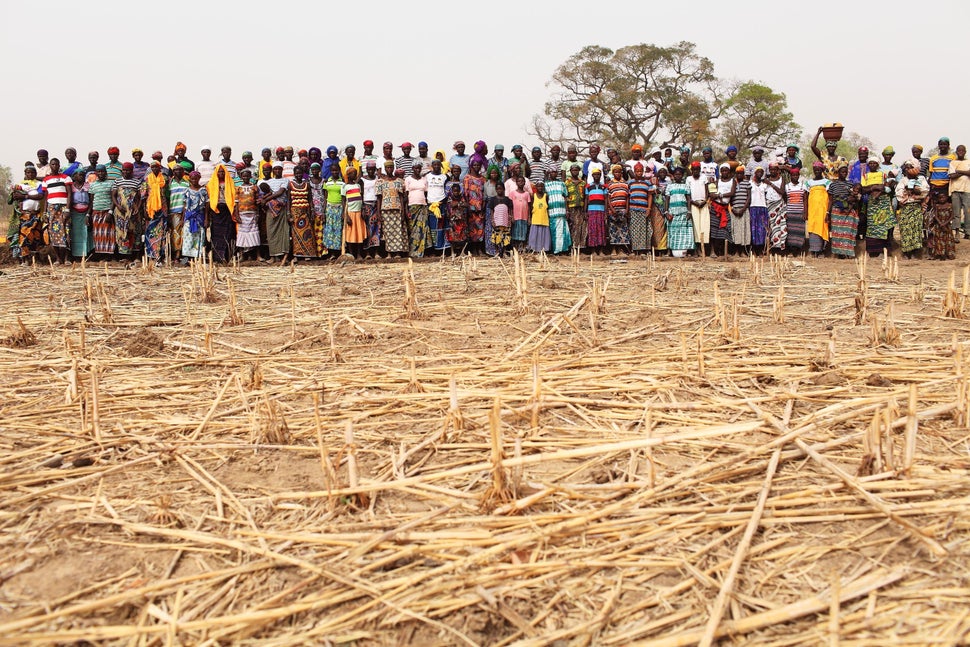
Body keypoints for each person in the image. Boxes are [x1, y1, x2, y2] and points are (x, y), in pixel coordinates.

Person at [41, 158, 74, 264]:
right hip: (51, 208)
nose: (55, 166)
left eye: (56, 164)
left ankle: (66, 258)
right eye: (53, 164)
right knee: (53, 232)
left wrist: (68, 208)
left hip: (63, 207)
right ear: (50, 166)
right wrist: (45, 212)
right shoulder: (46, 180)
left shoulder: (66, 178)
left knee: (66, 231)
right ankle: (58, 259)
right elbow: (46, 198)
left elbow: (70, 194)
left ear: (59, 166)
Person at [9, 163, 44, 263]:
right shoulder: (20, 185)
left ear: (35, 173)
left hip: (36, 214)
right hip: (25, 215)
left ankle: (36, 259)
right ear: (25, 173)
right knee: (24, 236)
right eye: (28, 172)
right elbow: (15, 196)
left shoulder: (39, 184)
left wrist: (25, 196)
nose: (31, 174)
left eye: (33, 172)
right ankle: (25, 259)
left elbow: (40, 196)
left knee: (36, 236)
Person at [861, 158, 896, 257]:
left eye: (874, 163)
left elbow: (889, 188)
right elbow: (863, 189)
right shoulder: (865, 176)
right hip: (871, 204)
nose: (872, 165)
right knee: (872, 227)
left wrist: (882, 188)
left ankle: (883, 251)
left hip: (883, 203)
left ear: (878, 165)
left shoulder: (883, 175)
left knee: (883, 226)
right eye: (870, 163)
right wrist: (874, 187)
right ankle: (873, 251)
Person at [896, 159, 930, 258]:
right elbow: (899, 193)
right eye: (906, 168)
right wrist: (910, 191)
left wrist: (914, 190)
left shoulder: (921, 179)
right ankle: (906, 252)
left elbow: (925, 191)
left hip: (916, 207)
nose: (908, 169)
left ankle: (915, 252)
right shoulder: (903, 180)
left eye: (910, 167)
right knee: (905, 229)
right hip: (906, 207)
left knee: (916, 229)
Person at [204, 165, 236, 263]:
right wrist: (207, 217)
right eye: (219, 172)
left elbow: (234, 198)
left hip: (227, 210)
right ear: (216, 173)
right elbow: (208, 202)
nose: (221, 173)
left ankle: (227, 256)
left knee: (228, 233)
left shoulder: (230, 183)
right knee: (216, 234)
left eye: (223, 172)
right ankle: (217, 257)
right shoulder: (211, 184)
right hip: (216, 210)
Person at [827, 164, 860, 259]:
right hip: (836, 210)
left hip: (848, 212)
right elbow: (830, 200)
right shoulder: (833, 185)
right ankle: (840, 253)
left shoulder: (850, 184)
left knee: (848, 233)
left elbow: (855, 197)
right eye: (842, 172)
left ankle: (848, 252)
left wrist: (850, 202)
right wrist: (827, 213)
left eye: (846, 172)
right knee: (837, 233)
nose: (844, 174)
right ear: (838, 173)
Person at [376, 163, 408, 258]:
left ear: (393, 168)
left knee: (398, 231)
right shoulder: (380, 182)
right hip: (385, 209)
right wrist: (378, 212)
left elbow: (402, 197)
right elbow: (379, 198)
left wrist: (402, 211)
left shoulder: (399, 181)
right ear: (385, 168)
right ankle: (389, 253)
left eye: (391, 167)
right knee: (387, 231)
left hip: (397, 208)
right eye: (387, 167)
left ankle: (398, 253)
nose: (389, 169)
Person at [260, 164, 291, 262]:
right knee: (271, 232)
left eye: (279, 169)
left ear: (282, 170)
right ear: (273, 170)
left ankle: (283, 256)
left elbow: (280, 192)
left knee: (283, 233)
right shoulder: (269, 182)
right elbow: (268, 192)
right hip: (271, 209)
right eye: (275, 169)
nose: (277, 171)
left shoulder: (285, 180)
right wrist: (265, 200)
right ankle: (273, 256)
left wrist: (266, 199)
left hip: (282, 209)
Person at [111, 162, 141, 258]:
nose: (125, 172)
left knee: (133, 231)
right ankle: (123, 255)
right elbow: (113, 196)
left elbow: (140, 197)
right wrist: (118, 206)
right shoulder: (117, 181)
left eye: (128, 170)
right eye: (124, 170)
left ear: (132, 171)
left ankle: (134, 255)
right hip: (121, 211)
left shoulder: (137, 182)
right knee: (121, 231)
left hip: (133, 211)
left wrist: (138, 208)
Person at [142, 161, 169, 262]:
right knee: (150, 232)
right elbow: (143, 196)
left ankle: (160, 256)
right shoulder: (147, 179)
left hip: (163, 209)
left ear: (160, 168)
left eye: (156, 167)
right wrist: (145, 210)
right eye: (152, 167)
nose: (155, 169)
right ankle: (151, 255)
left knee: (162, 232)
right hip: (151, 209)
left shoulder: (165, 179)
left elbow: (168, 194)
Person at [664, 167, 694, 257]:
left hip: (684, 212)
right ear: (673, 176)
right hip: (672, 213)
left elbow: (689, 199)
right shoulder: (670, 186)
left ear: (682, 176)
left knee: (685, 232)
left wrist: (689, 212)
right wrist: (666, 212)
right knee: (672, 232)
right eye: (676, 174)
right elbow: (667, 200)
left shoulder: (685, 186)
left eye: (680, 174)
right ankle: (669, 251)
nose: (678, 176)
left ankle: (687, 252)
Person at [805, 162, 831, 257]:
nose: (817, 171)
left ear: (822, 170)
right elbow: (805, 197)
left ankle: (821, 250)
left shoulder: (826, 182)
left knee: (822, 228)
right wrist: (805, 211)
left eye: (819, 169)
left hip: (823, 210)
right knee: (812, 228)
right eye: (815, 169)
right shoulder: (809, 183)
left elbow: (830, 197)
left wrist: (828, 211)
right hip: (812, 210)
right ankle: (814, 250)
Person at [233, 168, 260, 261]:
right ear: (241, 176)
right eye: (244, 176)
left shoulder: (254, 187)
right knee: (242, 234)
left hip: (253, 213)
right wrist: (237, 215)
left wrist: (258, 214)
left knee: (254, 233)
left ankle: (257, 255)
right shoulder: (238, 188)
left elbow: (257, 201)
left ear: (250, 176)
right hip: (242, 214)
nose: (246, 177)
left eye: (247, 175)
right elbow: (236, 203)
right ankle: (242, 255)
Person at [288, 169, 316, 258]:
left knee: (307, 233)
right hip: (295, 212)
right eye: (296, 173)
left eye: (300, 173)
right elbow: (289, 200)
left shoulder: (307, 184)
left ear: (302, 173)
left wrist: (312, 210)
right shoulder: (290, 185)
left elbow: (310, 199)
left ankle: (308, 254)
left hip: (305, 211)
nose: (298, 175)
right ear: (294, 174)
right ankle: (297, 254)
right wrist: (289, 214)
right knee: (296, 234)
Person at [685, 161, 710, 256]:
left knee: (704, 226)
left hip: (703, 204)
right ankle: (696, 249)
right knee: (695, 227)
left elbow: (707, 191)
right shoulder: (688, 179)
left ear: (699, 170)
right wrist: (692, 202)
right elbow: (687, 194)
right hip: (694, 203)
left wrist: (705, 201)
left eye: (697, 169)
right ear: (691, 170)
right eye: (694, 169)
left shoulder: (704, 177)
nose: (695, 171)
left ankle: (702, 248)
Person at [404, 164, 429, 258]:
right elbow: (406, 195)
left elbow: (426, 193)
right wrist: (406, 209)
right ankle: (412, 252)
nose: (417, 170)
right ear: (412, 169)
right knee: (412, 229)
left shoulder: (424, 179)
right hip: (412, 206)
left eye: (419, 168)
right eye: (416, 168)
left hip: (422, 206)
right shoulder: (408, 179)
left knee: (422, 229)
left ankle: (420, 252)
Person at [181, 172, 207, 263]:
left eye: (196, 178)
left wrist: (207, 219)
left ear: (199, 179)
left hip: (199, 216)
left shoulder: (203, 190)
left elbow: (206, 205)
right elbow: (184, 206)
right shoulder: (186, 191)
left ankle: (197, 257)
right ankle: (187, 258)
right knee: (188, 236)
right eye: (192, 179)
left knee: (199, 236)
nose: (194, 180)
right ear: (190, 179)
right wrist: (182, 218)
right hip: (189, 217)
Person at [426, 159, 450, 253]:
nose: (436, 167)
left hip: (441, 204)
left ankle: (442, 249)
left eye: (438, 165)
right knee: (432, 227)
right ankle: (433, 249)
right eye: (434, 165)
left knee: (442, 227)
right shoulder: (427, 176)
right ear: (432, 166)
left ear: (441, 166)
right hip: (431, 205)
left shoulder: (444, 177)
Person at [545, 168, 572, 254]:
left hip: (562, 211)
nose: (553, 173)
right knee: (554, 231)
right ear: (549, 173)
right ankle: (556, 250)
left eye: (555, 172)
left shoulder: (561, 184)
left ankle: (564, 250)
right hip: (552, 211)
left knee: (563, 230)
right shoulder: (546, 184)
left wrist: (567, 210)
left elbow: (565, 197)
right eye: (552, 172)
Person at [321, 164, 345, 256]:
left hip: (339, 208)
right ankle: (331, 253)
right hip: (329, 208)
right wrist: (324, 212)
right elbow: (325, 197)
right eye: (333, 171)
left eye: (336, 171)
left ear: (339, 171)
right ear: (330, 171)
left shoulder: (342, 183)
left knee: (338, 230)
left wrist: (343, 211)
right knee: (330, 230)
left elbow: (343, 198)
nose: (335, 172)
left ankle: (339, 252)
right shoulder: (327, 182)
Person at [463, 160, 486, 253]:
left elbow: (484, 193)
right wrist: (467, 206)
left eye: (478, 165)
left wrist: (483, 205)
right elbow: (465, 193)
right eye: (474, 165)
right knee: (472, 228)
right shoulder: (467, 178)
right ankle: (473, 249)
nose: (476, 166)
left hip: (480, 206)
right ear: (471, 166)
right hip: (471, 207)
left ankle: (479, 248)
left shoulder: (483, 179)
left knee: (480, 228)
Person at [710, 164, 734, 256]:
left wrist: (720, 195)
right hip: (715, 207)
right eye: (723, 171)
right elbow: (712, 194)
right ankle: (713, 251)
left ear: (729, 172)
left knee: (725, 230)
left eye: (726, 171)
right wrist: (716, 195)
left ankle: (724, 251)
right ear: (720, 172)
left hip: (725, 208)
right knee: (713, 229)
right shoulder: (717, 181)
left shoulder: (732, 181)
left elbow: (732, 193)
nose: (724, 172)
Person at [69, 170, 92, 260]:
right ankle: (76, 255)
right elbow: (69, 200)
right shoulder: (71, 187)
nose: (81, 177)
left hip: (86, 212)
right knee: (75, 233)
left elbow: (91, 201)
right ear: (74, 176)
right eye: (79, 175)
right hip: (74, 213)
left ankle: (86, 254)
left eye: (83, 175)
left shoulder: (88, 185)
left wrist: (88, 214)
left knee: (86, 233)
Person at [167, 166, 189, 261]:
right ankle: (175, 254)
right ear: (173, 172)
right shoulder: (170, 184)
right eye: (176, 170)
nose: (178, 172)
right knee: (175, 233)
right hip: (173, 210)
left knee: (183, 233)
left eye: (180, 170)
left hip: (184, 211)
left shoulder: (187, 183)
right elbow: (167, 198)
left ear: (183, 171)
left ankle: (181, 254)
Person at [607, 164, 630, 252]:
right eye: (615, 172)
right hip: (613, 210)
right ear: (613, 173)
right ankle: (613, 249)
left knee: (623, 230)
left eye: (619, 172)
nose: (617, 174)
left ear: (621, 173)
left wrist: (627, 209)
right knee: (613, 230)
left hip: (623, 209)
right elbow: (608, 198)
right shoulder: (610, 184)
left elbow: (627, 197)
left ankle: (621, 248)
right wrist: (612, 209)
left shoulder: (625, 184)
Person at [765, 164, 788, 254]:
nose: (773, 171)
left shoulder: (781, 179)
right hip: (770, 205)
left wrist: (770, 184)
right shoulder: (765, 180)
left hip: (779, 205)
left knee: (781, 226)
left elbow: (782, 192)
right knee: (772, 227)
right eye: (771, 170)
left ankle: (780, 248)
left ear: (778, 170)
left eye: (775, 169)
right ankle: (772, 248)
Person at [926, 191, 956, 260]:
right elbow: (935, 215)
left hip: (947, 225)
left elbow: (952, 216)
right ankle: (940, 254)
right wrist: (940, 223)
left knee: (947, 239)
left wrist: (945, 223)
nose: (942, 199)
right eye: (940, 198)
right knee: (939, 240)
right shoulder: (937, 206)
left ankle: (948, 253)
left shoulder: (950, 205)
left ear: (946, 198)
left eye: (943, 197)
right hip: (938, 226)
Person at [948, 144, 970, 239]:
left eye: (962, 151)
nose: (960, 152)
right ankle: (956, 233)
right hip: (955, 190)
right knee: (956, 213)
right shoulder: (952, 162)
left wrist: (959, 171)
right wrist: (965, 172)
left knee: (967, 212)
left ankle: (967, 232)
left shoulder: (968, 161)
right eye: (959, 151)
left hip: (967, 190)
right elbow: (952, 176)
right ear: (956, 152)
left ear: (965, 152)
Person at [584, 168, 608, 254]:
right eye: (595, 174)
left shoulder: (604, 186)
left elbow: (606, 199)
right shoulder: (588, 186)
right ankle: (593, 250)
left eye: (598, 174)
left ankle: (601, 250)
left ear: (600, 175)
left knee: (601, 230)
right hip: (591, 210)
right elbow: (586, 199)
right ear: (592, 176)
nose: (596, 176)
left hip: (601, 210)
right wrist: (585, 211)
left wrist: (606, 211)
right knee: (592, 230)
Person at [784, 168, 807, 254]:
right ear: (790, 176)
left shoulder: (802, 186)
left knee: (799, 232)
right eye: (793, 175)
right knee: (791, 232)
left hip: (800, 213)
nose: (795, 177)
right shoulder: (787, 186)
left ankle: (798, 250)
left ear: (799, 176)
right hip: (790, 212)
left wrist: (805, 212)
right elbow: (785, 199)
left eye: (796, 175)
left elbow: (805, 200)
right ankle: (791, 250)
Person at [729, 166, 751, 256]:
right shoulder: (732, 183)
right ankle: (737, 252)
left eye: (741, 173)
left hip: (744, 210)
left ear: (743, 174)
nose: (739, 175)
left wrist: (743, 209)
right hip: (734, 210)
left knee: (744, 230)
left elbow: (749, 197)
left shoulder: (747, 183)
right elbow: (730, 197)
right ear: (735, 174)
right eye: (737, 173)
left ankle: (743, 251)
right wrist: (733, 209)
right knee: (736, 231)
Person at [361, 161, 382, 256]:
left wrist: (378, 210)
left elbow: (378, 196)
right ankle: (368, 253)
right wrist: (362, 208)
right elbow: (360, 194)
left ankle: (376, 252)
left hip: (375, 205)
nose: (370, 171)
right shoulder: (362, 180)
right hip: (366, 205)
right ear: (366, 170)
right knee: (367, 229)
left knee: (376, 229)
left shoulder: (377, 179)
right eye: (369, 169)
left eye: (372, 169)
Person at [307, 163, 327, 256]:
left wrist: (324, 210)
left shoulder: (323, 181)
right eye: (313, 169)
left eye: (316, 169)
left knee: (322, 232)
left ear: (319, 170)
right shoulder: (308, 181)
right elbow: (309, 196)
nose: (315, 171)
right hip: (313, 209)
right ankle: (314, 253)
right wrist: (311, 209)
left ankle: (322, 253)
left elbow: (325, 195)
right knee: (313, 232)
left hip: (322, 209)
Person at [487, 182, 513, 256]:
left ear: (504, 189)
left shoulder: (507, 199)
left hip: (505, 221)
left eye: (501, 189)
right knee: (496, 237)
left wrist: (510, 220)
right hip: (497, 221)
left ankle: (504, 251)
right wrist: (492, 221)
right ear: (495, 190)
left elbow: (510, 211)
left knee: (505, 237)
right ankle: (498, 251)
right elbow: (492, 211)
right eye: (497, 189)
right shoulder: (493, 199)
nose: (499, 190)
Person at [928, 137, 956, 203]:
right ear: (938, 146)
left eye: (945, 144)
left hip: (947, 185)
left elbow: (953, 172)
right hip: (934, 185)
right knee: (935, 205)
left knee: (947, 205)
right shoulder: (933, 158)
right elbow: (931, 173)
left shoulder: (952, 158)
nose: (942, 146)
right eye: (941, 144)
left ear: (948, 146)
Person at [749, 167, 770, 255]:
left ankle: (761, 249)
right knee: (753, 229)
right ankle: (754, 249)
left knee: (762, 230)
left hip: (762, 208)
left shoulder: (764, 185)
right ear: (755, 173)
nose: (760, 173)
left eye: (762, 172)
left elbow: (766, 196)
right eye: (758, 172)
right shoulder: (750, 183)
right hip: (753, 207)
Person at [526, 180, 551, 253]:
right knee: (535, 235)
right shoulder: (533, 196)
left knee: (543, 235)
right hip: (535, 219)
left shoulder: (546, 196)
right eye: (538, 186)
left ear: (543, 187)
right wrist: (530, 218)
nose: (540, 187)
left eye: (541, 186)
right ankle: (534, 249)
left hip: (544, 219)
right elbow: (531, 208)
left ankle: (543, 249)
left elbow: (547, 207)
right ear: (536, 187)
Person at [509, 175, 532, 251]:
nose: (520, 182)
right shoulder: (512, 193)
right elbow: (510, 206)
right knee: (515, 233)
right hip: (516, 217)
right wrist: (511, 216)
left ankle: (522, 248)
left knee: (523, 232)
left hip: (524, 217)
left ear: (525, 183)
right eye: (519, 181)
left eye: (522, 181)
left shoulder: (527, 194)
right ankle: (515, 248)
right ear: (516, 182)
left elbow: (529, 207)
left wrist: (529, 218)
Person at [446, 182, 467, 253]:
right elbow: (452, 205)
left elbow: (466, 205)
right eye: (454, 191)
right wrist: (460, 203)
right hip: (453, 220)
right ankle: (452, 252)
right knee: (452, 236)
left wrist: (457, 203)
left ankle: (462, 251)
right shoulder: (450, 197)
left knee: (462, 235)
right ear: (452, 191)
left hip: (461, 219)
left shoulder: (462, 197)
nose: (456, 192)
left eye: (457, 191)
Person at [651, 167, 669, 251]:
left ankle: (662, 247)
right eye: (660, 172)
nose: (662, 174)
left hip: (665, 206)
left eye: (664, 173)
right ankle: (656, 247)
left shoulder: (669, 183)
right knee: (656, 227)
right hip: (655, 208)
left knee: (663, 227)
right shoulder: (654, 182)